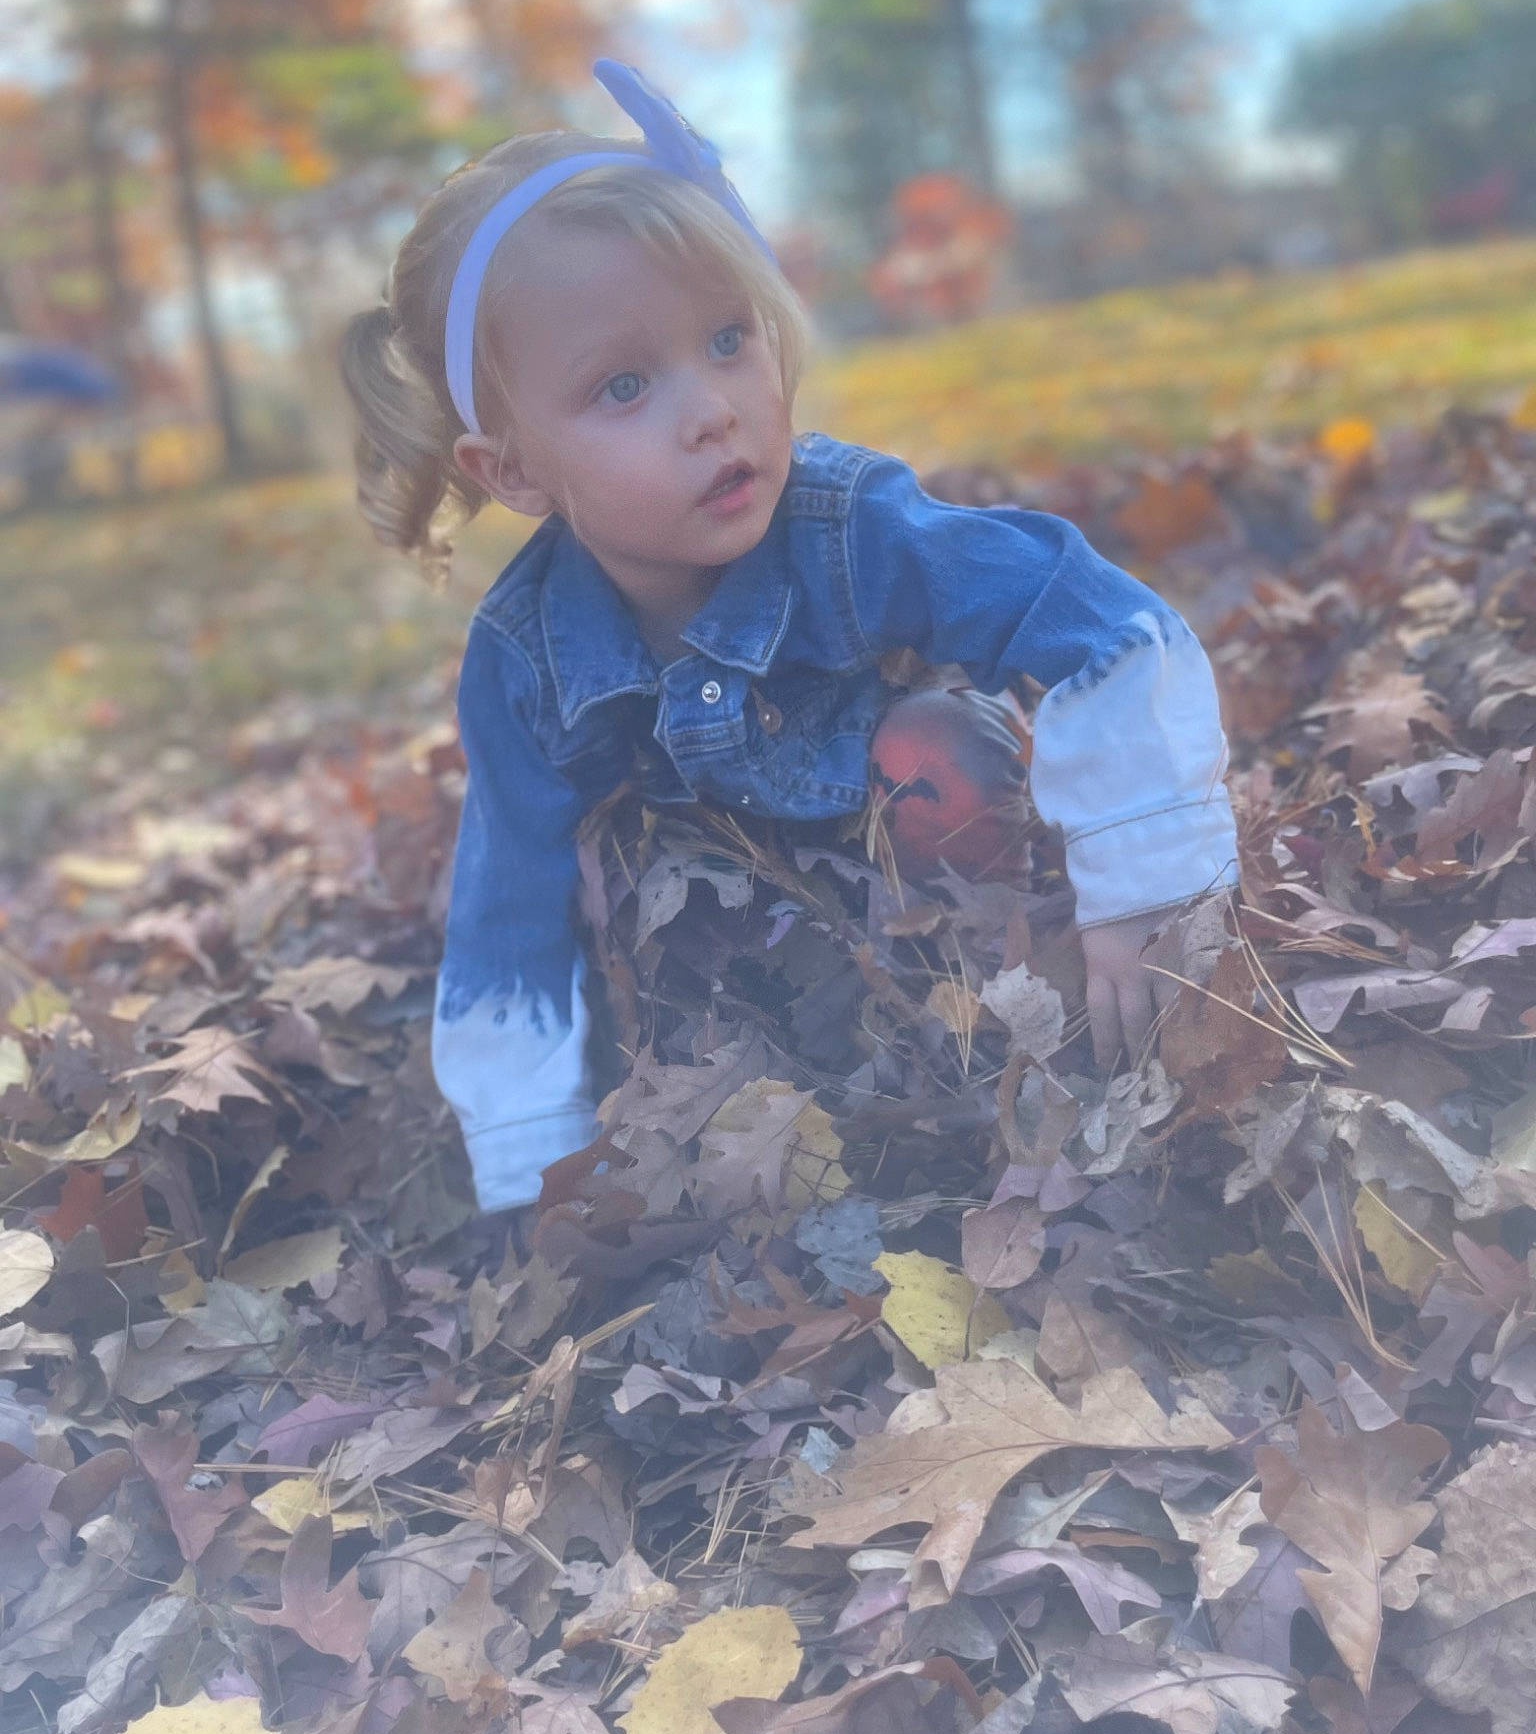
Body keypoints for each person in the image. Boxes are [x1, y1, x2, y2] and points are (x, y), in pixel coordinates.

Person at [341, 61, 1239, 1216]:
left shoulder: (847, 524)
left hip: (921, 874)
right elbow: (504, 902)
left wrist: (1142, 884)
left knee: (937, 752)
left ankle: (1000, 1013)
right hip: (728, 948)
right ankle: (751, 1086)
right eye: (624, 385)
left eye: (728, 338)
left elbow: (1100, 620)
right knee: (597, 875)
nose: (712, 406)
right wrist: (534, 1162)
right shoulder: (526, 660)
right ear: (512, 469)